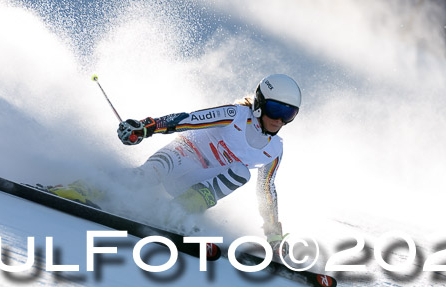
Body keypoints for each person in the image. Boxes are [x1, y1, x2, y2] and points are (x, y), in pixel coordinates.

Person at [50, 73, 301, 253]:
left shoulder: (274, 149)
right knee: (143, 178)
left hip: (194, 185)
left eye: (288, 113)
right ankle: (82, 187)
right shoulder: (235, 114)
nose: (279, 120)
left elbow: (266, 191)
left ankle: (177, 212)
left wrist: (274, 235)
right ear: (259, 103)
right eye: (275, 109)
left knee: (241, 173)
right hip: (182, 154)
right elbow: (188, 120)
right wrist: (146, 127)